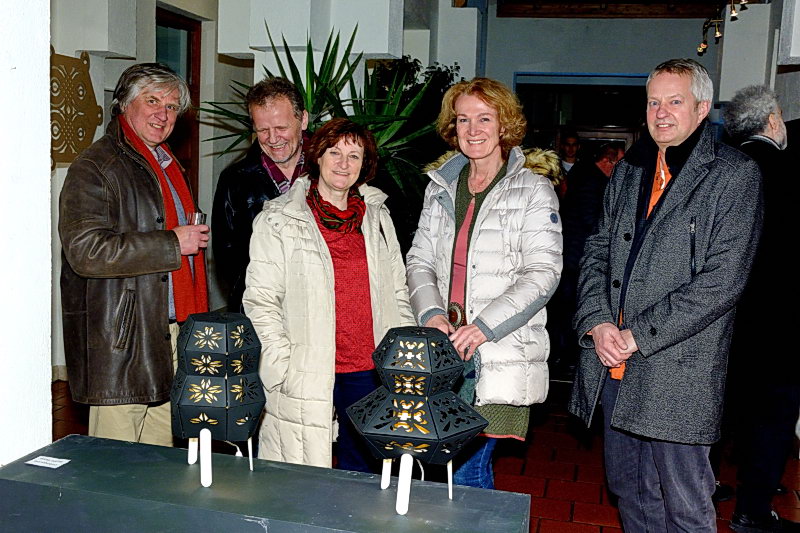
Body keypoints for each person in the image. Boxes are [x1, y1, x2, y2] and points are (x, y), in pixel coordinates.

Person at [568, 58, 763, 531]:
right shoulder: (629, 171)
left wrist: (636, 335)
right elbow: (596, 250)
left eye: (675, 101)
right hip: (614, 365)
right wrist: (596, 321)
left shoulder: (734, 175)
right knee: (630, 493)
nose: (661, 113)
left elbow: (723, 280)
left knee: (685, 505)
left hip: (678, 373)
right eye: (653, 102)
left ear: (702, 108)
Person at [406, 77, 562, 489]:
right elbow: (419, 259)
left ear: (504, 124)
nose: (472, 129)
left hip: (497, 351)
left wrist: (482, 327)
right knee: (442, 470)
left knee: (467, 471)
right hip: (443, 349)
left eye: (484, 118)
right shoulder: (441, 186)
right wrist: (432, 314)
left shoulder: (532, 189)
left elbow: (543, 273)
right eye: (463, 119)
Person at [243, 118, 414, 471]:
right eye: (335, 153)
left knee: (366, 476)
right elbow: (261, 302)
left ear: (365, 164)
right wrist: (281, 366)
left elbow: (399, 291)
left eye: (354, 156)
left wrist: (400, 358)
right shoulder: (279, 219)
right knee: (301, 477)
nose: (343, 163)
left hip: (369, 369)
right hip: (305, 371)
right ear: (318, 156)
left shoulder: (378, 217)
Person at [59, 63, 209, 446]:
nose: (163, 114)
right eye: (152, 101)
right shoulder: (96, 166)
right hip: (122, 340)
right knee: (116, 463)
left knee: (159, 461)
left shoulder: (167, 164)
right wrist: (172, 243)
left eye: (172, 107)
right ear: (124, 104)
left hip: (168, 330)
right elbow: (86, 251)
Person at [723, 85, 799, 533]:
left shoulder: (720, 170)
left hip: (723, 316)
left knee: (722, 407)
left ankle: (703, 484)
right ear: (773, 120)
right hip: (779, 321)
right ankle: (752, 509)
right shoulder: (788, 172)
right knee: (773, 418)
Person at [212, 77, 310, 312]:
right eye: (263, 130)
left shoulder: (335, 170)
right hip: (260, 310)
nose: (273, 139)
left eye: (281, 128)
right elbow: (226, 259)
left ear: (303, 120)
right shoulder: (234, 180)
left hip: (324, 309)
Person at [550, 143, 624, 378]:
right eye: (618, 163)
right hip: (577, 255)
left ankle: (562, 356)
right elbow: (592, 222)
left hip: (572, 253)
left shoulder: (583, 174)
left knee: (566, 308)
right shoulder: (592, 182)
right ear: (607, 161)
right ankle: (565, 357)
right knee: (569, 308)